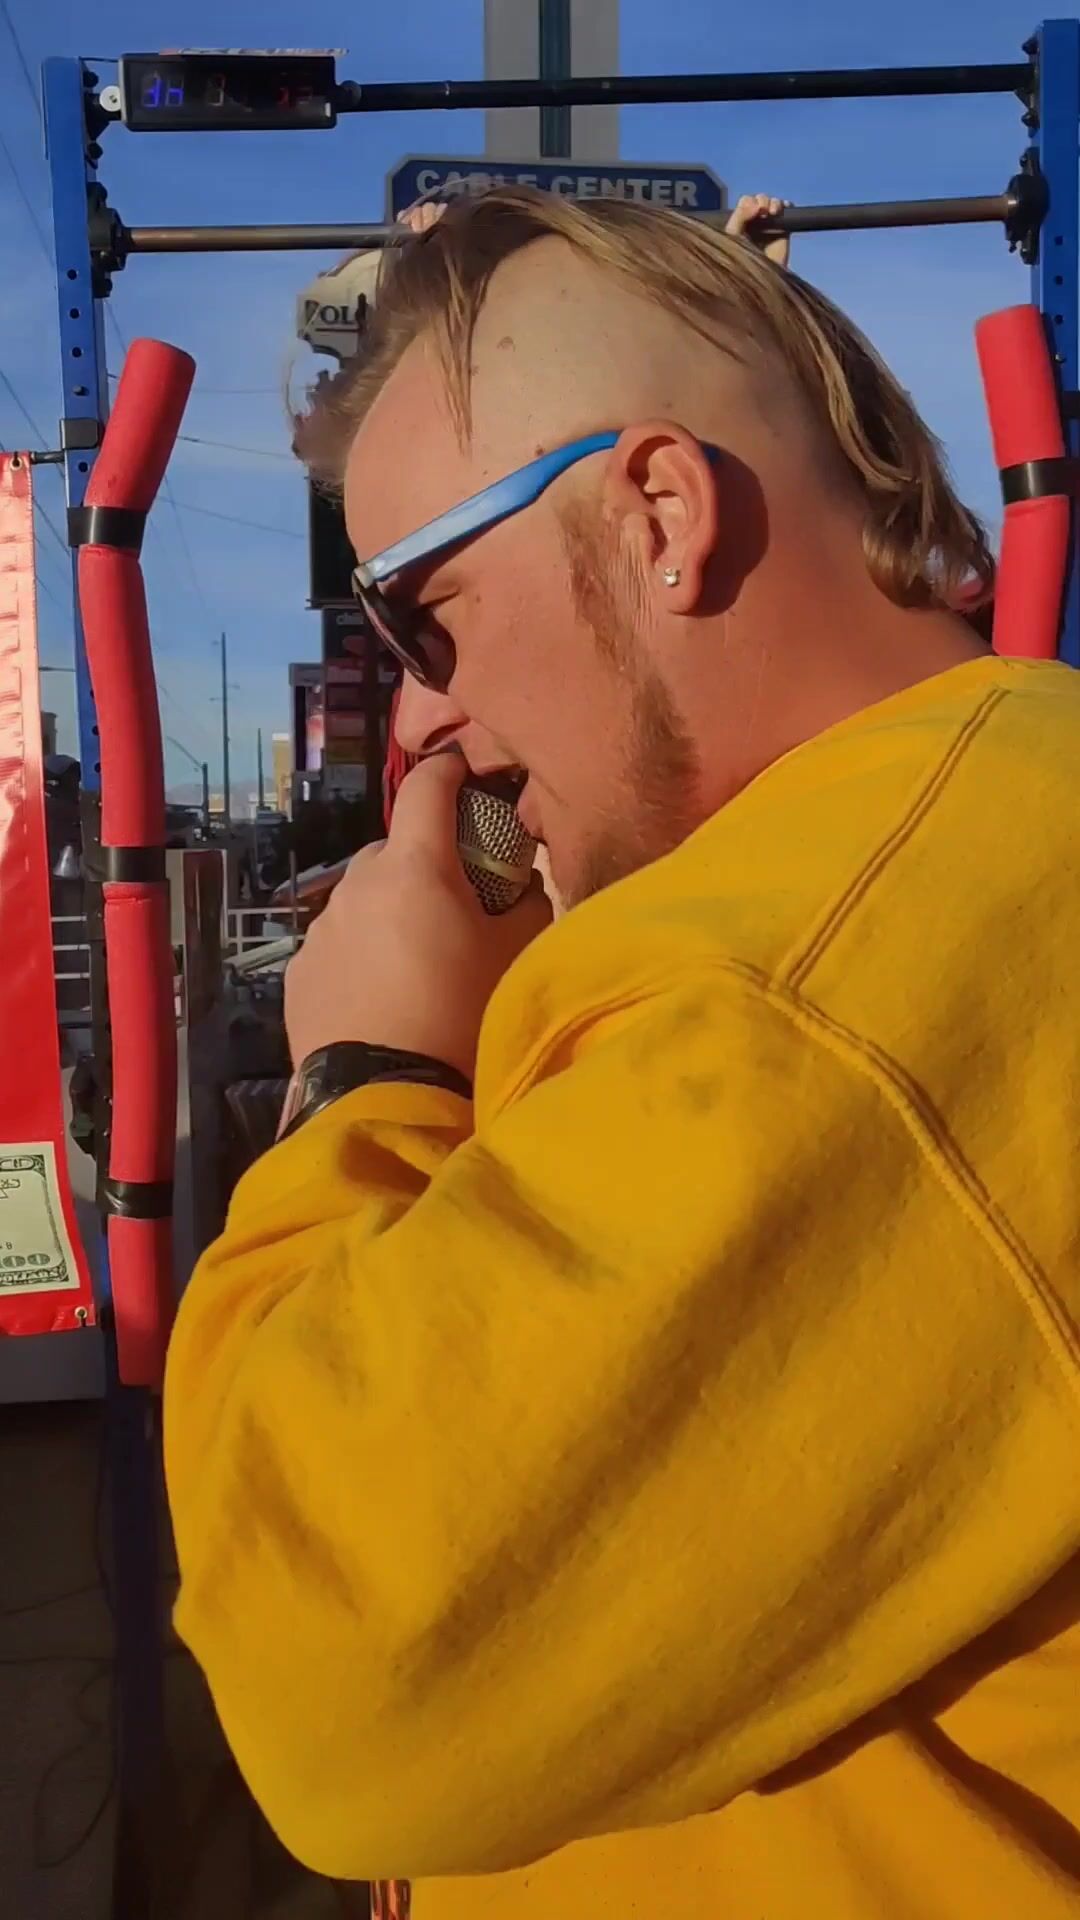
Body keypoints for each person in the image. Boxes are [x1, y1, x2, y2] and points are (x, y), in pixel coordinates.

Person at [164, 185, 1080, 1920]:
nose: (418, 715)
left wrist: (362, 1078)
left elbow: (337, 1670)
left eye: (421, 617)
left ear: (659, 510)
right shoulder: (902, 861)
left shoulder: (817, 980)